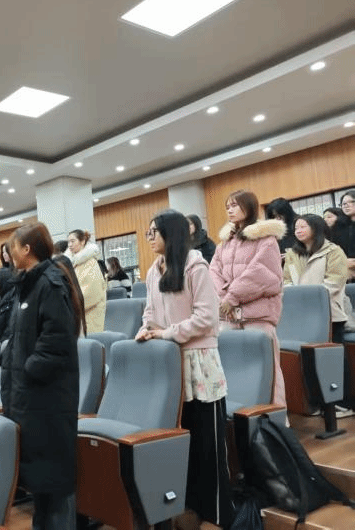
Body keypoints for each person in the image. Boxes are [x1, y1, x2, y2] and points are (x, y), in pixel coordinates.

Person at [136, 210, 233, 529]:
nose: (150, 238)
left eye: (154, 232)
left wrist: (166, 333)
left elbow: (207, 317)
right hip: (170, 364)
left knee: (209, 448)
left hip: (199, 363)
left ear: (172, 233)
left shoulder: (195, 265)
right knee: (183, 444)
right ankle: (188, 508)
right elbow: (150, 311)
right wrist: (145, 329)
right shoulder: (154, 270)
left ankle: (217, 516)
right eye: (149, 233)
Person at [2, 222, 82, 530]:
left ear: (27, 249)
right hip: (30, 398)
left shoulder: (50, 283)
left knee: (55, 482)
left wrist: (28, 369)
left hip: (47, 399)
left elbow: (57, 342)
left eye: (12, 248)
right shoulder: (27, 284)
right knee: (41, 484)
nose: (9, 254)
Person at [209, 190, 287, 408]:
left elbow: (263, 273)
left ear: (249, 207)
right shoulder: (224, 243)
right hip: (229, 316)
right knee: (232, 370)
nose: (230, 210)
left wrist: (232, 297)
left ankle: (275, 419)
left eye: (234, 205)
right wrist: (223, 298)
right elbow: (213, 271)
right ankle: (239, 418)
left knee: (268, 371)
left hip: (258, 316)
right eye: (227, 206)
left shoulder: (267, 240)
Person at [284, 215, 348, 344]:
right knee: (305, 352)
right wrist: (294, 295)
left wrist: (309, 298)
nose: (298, 231)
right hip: (300, 312)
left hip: (329, 312)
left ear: (316, 228)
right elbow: (286, 280)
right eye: (296, 228)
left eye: (303, 227)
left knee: (330, 352)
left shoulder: (334, 251)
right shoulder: (292, 254)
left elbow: (334, 282)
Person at [66, 229, 106, 334]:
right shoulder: (73, 263)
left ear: (82, 241)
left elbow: (91, 292)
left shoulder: (90, 262)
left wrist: (69, 304)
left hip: (90, 313)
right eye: (68, 242)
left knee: (89, 341)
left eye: (73, 241)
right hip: (76, 314)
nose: (70, 245)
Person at [337, 190, 355, 281]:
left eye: (352, 202)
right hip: (347, 275)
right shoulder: (339, 227)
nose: (346, 205)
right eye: (343, 204)